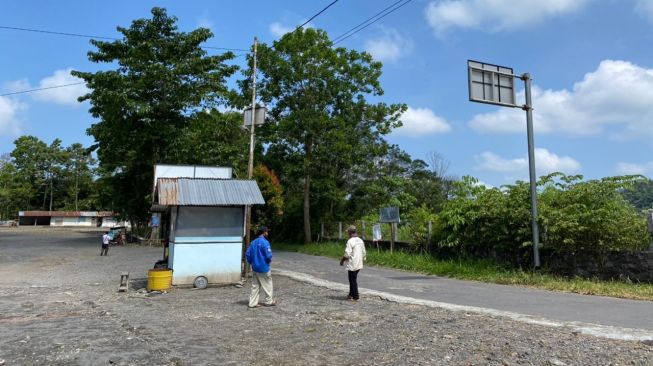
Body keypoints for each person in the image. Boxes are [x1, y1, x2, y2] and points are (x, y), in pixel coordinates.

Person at [246, 226, 276, 308]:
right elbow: (268, 256)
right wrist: (268, 261)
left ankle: (252, 303)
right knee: (268, 285)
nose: (267, 233)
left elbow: (248, 254)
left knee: (255, 286)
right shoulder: (265, 242)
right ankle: (269, 301)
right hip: (264, 268)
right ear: (264, 232)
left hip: (255, 268)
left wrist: (252, 262)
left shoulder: (253, 242)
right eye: (267, 232)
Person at [340, 225, 366, 301]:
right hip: (359, 263)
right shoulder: (360, 240)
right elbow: (364, 252)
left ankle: (355, 296)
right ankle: (351, 294)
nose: (347, 233)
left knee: (352, 280)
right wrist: (362, 260)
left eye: (348, 232)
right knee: (352, 278)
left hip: (353, 263)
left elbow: (347, 254)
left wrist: (342, 260)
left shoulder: (350, 241)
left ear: (350, 232)